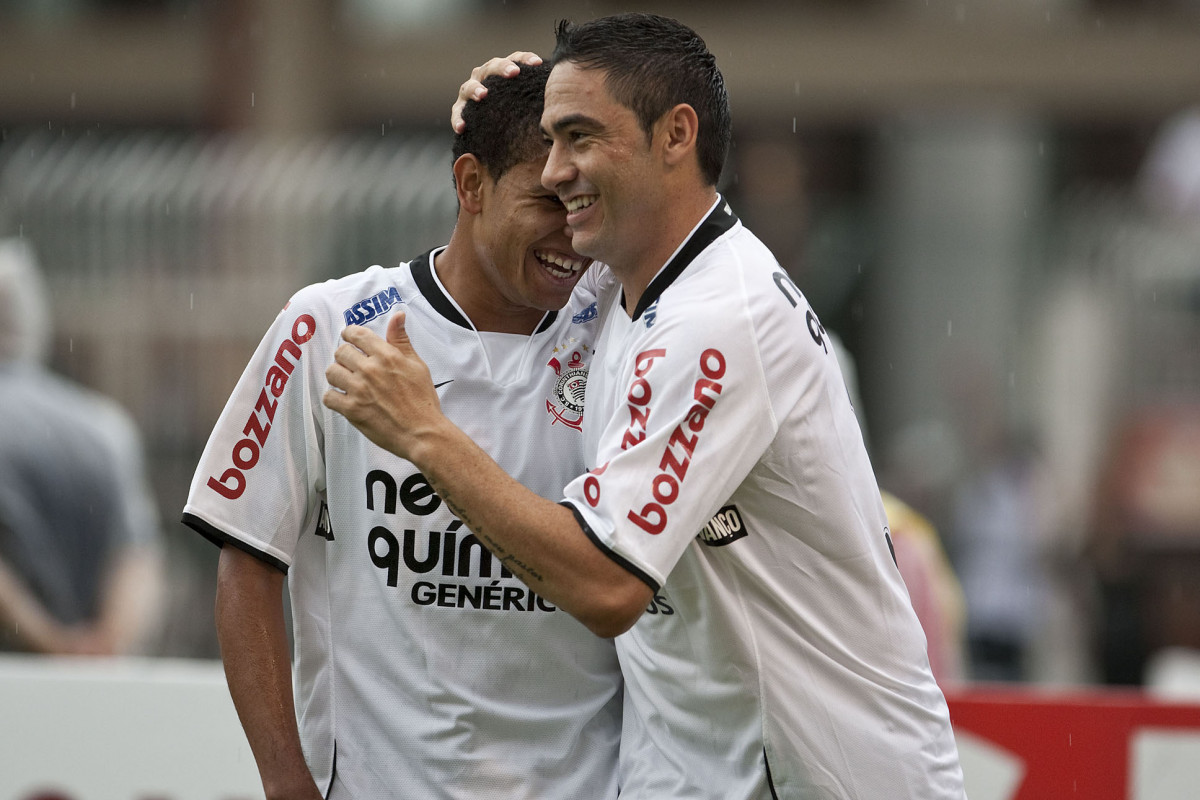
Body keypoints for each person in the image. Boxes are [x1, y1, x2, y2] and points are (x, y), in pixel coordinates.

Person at [324, 13, 965, 799]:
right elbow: (504, 244)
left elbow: (607, 586)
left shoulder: (716, 321)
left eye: (582, 136)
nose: (556, 171)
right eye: (550, 141)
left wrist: (424, 433)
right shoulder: (624, 276)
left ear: (676, 136)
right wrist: (505, 110)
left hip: (820, 779)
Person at [182, 64, 622, 800]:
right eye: (546, 201)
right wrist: (285, 780)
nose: (571, 229)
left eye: (584, 200)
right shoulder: (328, 326)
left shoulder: (623, 328)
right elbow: (248, 555)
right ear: (471, 185)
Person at [0, 238, 162, 656]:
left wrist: (49, 642)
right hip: (91, 685)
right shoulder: (103, 425)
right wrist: (104, 645)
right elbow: (138, 556)